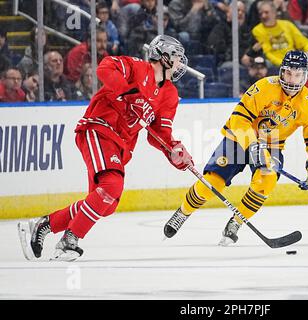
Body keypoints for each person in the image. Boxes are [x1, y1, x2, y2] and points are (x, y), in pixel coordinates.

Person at [18, 35, 193, 262]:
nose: (180, 63)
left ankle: (44, 225)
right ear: (164, 56)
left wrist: (175, 151)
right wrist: (130, 94)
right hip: (100, 128)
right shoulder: (137, 68)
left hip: (121, 146)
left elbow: (159, 134)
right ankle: (70, 239)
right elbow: (105, 68)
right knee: (111, 186)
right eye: (177, 57)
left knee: (106, 203)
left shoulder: (170, 95)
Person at [163, 50, 308, 246]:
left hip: (272, 144)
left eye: (298, 74)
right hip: (239, 138)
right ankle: (183, 212)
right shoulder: (264, 87)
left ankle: (236, 223)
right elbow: (239, 119)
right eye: (288, 73)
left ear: (305, 75)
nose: (292, 80)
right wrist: (252, 144)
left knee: (265, 182)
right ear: (281, 72)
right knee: (212, 182)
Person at [251, 0, 308, 67]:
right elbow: (268, 53)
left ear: (274, 13)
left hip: (294, 61)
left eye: (266, 12)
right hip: (275, 65)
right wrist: (285, 64)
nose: (263, 16)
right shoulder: (257, 30)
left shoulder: (287, 25)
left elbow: (304, 42)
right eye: (260, 13)